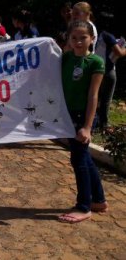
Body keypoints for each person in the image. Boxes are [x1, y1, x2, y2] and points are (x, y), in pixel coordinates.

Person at [59, 20, 107, 223]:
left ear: (92, 39)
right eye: (74, 38)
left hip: (83, 115)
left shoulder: (96, 62)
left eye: (83, 38)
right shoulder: (65, 58)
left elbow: (93, 96)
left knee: (78, 159)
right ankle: (99, 200)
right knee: (85, 157)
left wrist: (87, 127)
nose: (78, 42)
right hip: (68, 114)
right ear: (68, 39)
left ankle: (84, 206)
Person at [94, 13, 126, 132]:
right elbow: (119, 52)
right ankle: (103, 124)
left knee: (96, 97)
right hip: (108, 70)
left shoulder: (98, 34)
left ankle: (95, 120)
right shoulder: (108, 35)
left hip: (97, 70)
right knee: (106, 99)